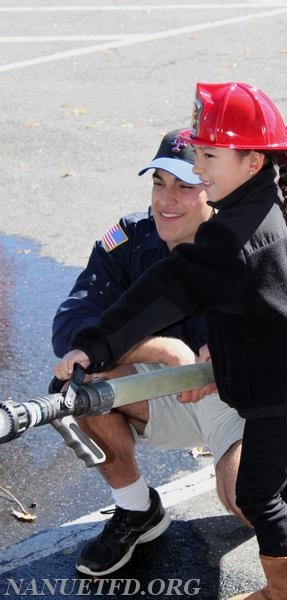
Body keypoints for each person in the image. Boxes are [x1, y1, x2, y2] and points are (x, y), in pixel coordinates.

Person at [54, 83, 287, 599]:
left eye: (206, 159)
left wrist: (100, 342)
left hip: (263, 391)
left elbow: (167, 291)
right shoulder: (273, 203)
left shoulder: (230, 240)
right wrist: (101, 346)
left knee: (258, 496)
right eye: (163, 180)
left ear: (251, 161)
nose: (196, 172)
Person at [52, 128, 246, 578]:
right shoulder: (130, 238)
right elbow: (71, 326)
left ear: (211, 189)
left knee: (245, 502)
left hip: (237, 396)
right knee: (80, 383)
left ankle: (285, 479)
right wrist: (162, 349)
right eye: (158, 182)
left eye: (183, 185)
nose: (166, 199)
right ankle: (137, 510)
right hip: (167, 389)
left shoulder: (245, 242)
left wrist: (228, 345)